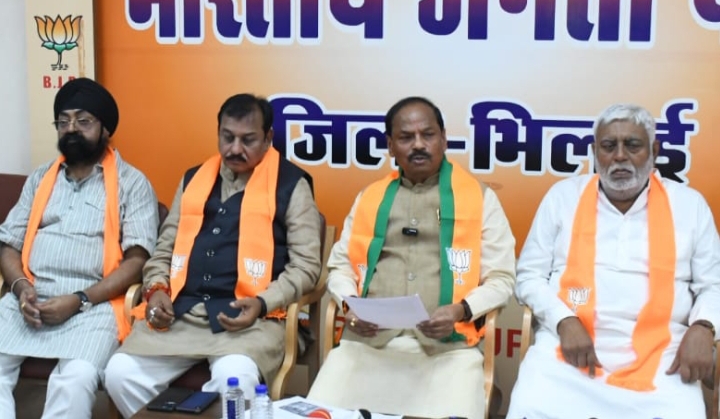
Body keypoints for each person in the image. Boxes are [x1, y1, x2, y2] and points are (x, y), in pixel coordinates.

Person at [105, 93, 323, 418]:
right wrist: (156, 289)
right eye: (227, 137)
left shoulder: (292, 185)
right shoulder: (194, 179)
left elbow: (306, 266)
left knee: (234, 381)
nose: (235, 149)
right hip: (181, 316)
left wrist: (263, 302)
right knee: (120, 373)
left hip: (250, 323)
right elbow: (164, 248)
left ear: (268, 138)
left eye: (248, 140)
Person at [307, 96, 516, 419]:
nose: (418, 144)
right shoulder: (370, 198)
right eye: (406, 137)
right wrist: (351, 304)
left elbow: (501, 279)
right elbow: (340, 266)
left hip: (449, 348)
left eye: (428, 135)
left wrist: (461, 310)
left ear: (443, 139)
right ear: (390, 146)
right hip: (367, 344)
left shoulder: (480, 198)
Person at [507, 103, 720, 419]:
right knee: (530, 406)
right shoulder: (562, 197)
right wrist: (563, 320)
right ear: (595, 153)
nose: (620, 156)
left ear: (654, 151)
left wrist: (704, 326)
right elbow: (528, 275)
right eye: (609, 146)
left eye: (632, 145)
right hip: (567, 353)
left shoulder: (689, 205)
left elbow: (714, 284)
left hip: (663, 358)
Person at [0, 77, 159, 419]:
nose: (72, 129)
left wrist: (80, 299)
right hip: (28, 300)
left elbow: (137, 261)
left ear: (105, 129)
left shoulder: (133, 183)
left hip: (94, 307)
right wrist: (21, 288)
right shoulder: (40, 178)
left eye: (83, 121)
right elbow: (8, 244)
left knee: (75, 378)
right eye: (64, 121)